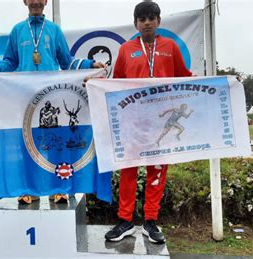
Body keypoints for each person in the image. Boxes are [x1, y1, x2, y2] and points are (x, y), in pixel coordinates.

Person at [0, 0, 105, 204]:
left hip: (51, 95)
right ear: (24, 1)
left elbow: (67, 61)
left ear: (46, 1)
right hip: (25, 96)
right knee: (27, 142)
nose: (36, 2)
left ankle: (58, 188)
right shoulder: (18, 30)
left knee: (53, 141)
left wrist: (91, 64)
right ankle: (29, 189)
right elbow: (10, 62)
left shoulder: (54, 30)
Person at [104, 2, 192, 244]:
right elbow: (116, 84)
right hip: (134, 123)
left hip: (161, 121)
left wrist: (222, 83)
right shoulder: (126, 49)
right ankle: (125, 221)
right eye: (142, 19)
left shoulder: (170, 46)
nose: (147, 22)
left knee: (157, 171)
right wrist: (92, 83)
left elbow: (186, 77)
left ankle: (150, 222)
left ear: (159, 21)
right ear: (136, 23)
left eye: (151, 17)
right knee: (128, 170)